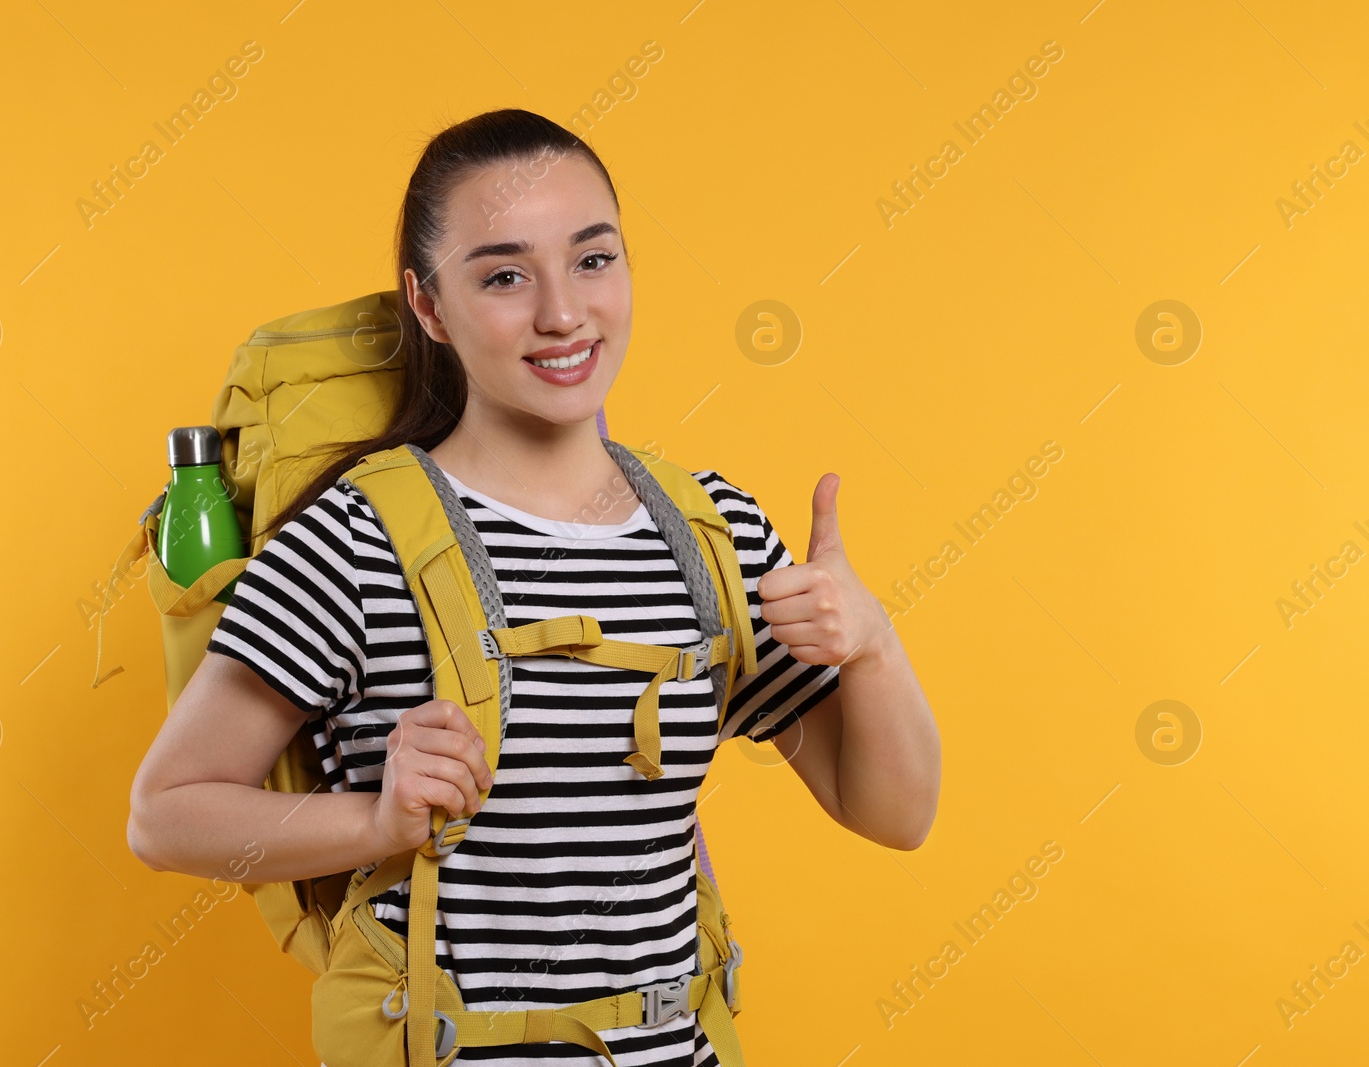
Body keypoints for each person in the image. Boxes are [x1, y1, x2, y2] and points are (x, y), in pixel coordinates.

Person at [127, 107, 940, 1066]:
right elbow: (164, 813)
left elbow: (893, 812)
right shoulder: (355, 538)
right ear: (428, 305)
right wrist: (374, 820)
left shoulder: (709, 531)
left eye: (593, 259)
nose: (563, 312)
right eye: (505, 275)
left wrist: (876, 645)